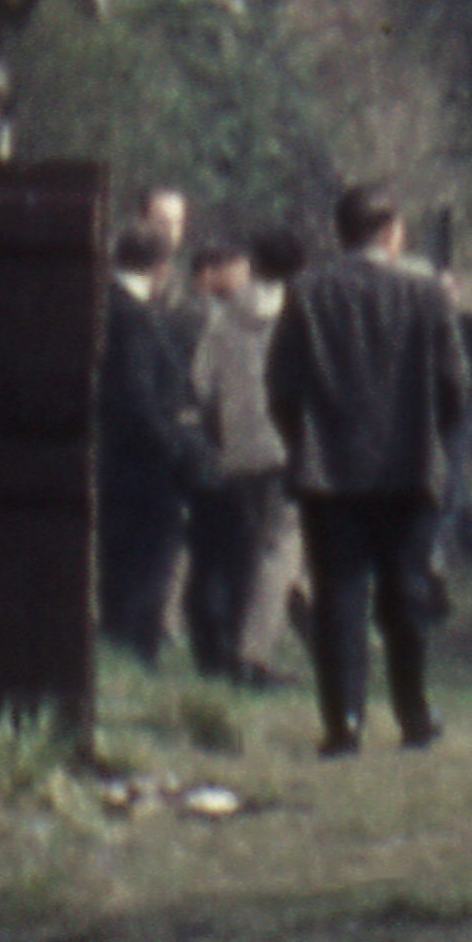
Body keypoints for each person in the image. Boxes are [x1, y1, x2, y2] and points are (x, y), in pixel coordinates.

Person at [264, 185, 472, 758]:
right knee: (405, 595)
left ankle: (345, 720)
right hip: (409, 467)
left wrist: (302, 440)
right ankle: (413, 712)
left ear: (342, 233)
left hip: (329, 471)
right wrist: (439, 440)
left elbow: (281, 385)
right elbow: (455, 384)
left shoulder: (306, 294)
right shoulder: (427, 294)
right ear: (389, 231)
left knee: (339, 595)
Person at [95, 193, 210, 668]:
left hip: (117, 462)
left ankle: (122, 646)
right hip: (144, 468)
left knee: (121, 562)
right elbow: (139, 397)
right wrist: (175, 446)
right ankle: (135, 653)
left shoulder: (108, 305)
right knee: (148, 564)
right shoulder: (137, 319)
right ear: (160, 266)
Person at [182, 231, 291, 691]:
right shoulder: (295, 314)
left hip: (240, 450)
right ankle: (252, 654)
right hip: (289, 445)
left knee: (257, 550)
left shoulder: (222, 322)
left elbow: (201, 383)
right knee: (278, 551)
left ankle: (264, 646)